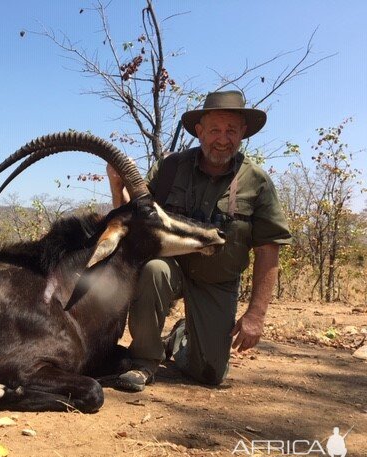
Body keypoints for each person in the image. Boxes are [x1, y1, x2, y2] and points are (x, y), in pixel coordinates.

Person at [107, 90, 291, 391]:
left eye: (232, 130)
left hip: (217, 282)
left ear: (243, 132)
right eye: (215, 129)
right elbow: (136, 217)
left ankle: (179, 338)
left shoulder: (257, 181)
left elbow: (269, 249)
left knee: (210, 375)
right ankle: (144, 362)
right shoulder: (169, 168)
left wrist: (256, 314)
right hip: (172, 268)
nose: (223, 138)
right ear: (200, 131)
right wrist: (117, 187)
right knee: (154, 269)